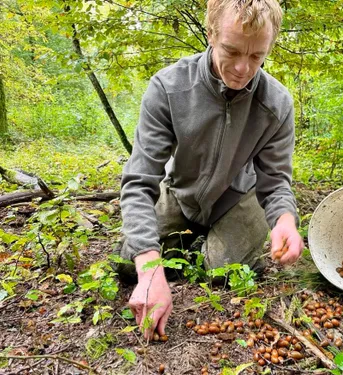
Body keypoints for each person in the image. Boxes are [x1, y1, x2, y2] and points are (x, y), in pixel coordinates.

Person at [116, 0, 304, 339]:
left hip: (239, 199)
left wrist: (285, 221)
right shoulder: (169, 88)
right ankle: (184, 242)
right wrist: (150, 270)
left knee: (221, 271)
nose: (243, 68)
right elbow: (139, 180)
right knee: (130, 263)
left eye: (257, 56)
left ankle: (218, 242)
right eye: (231, 51)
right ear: (211, 33)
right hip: (182, 192)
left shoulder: (276, 104)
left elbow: (275, 182)